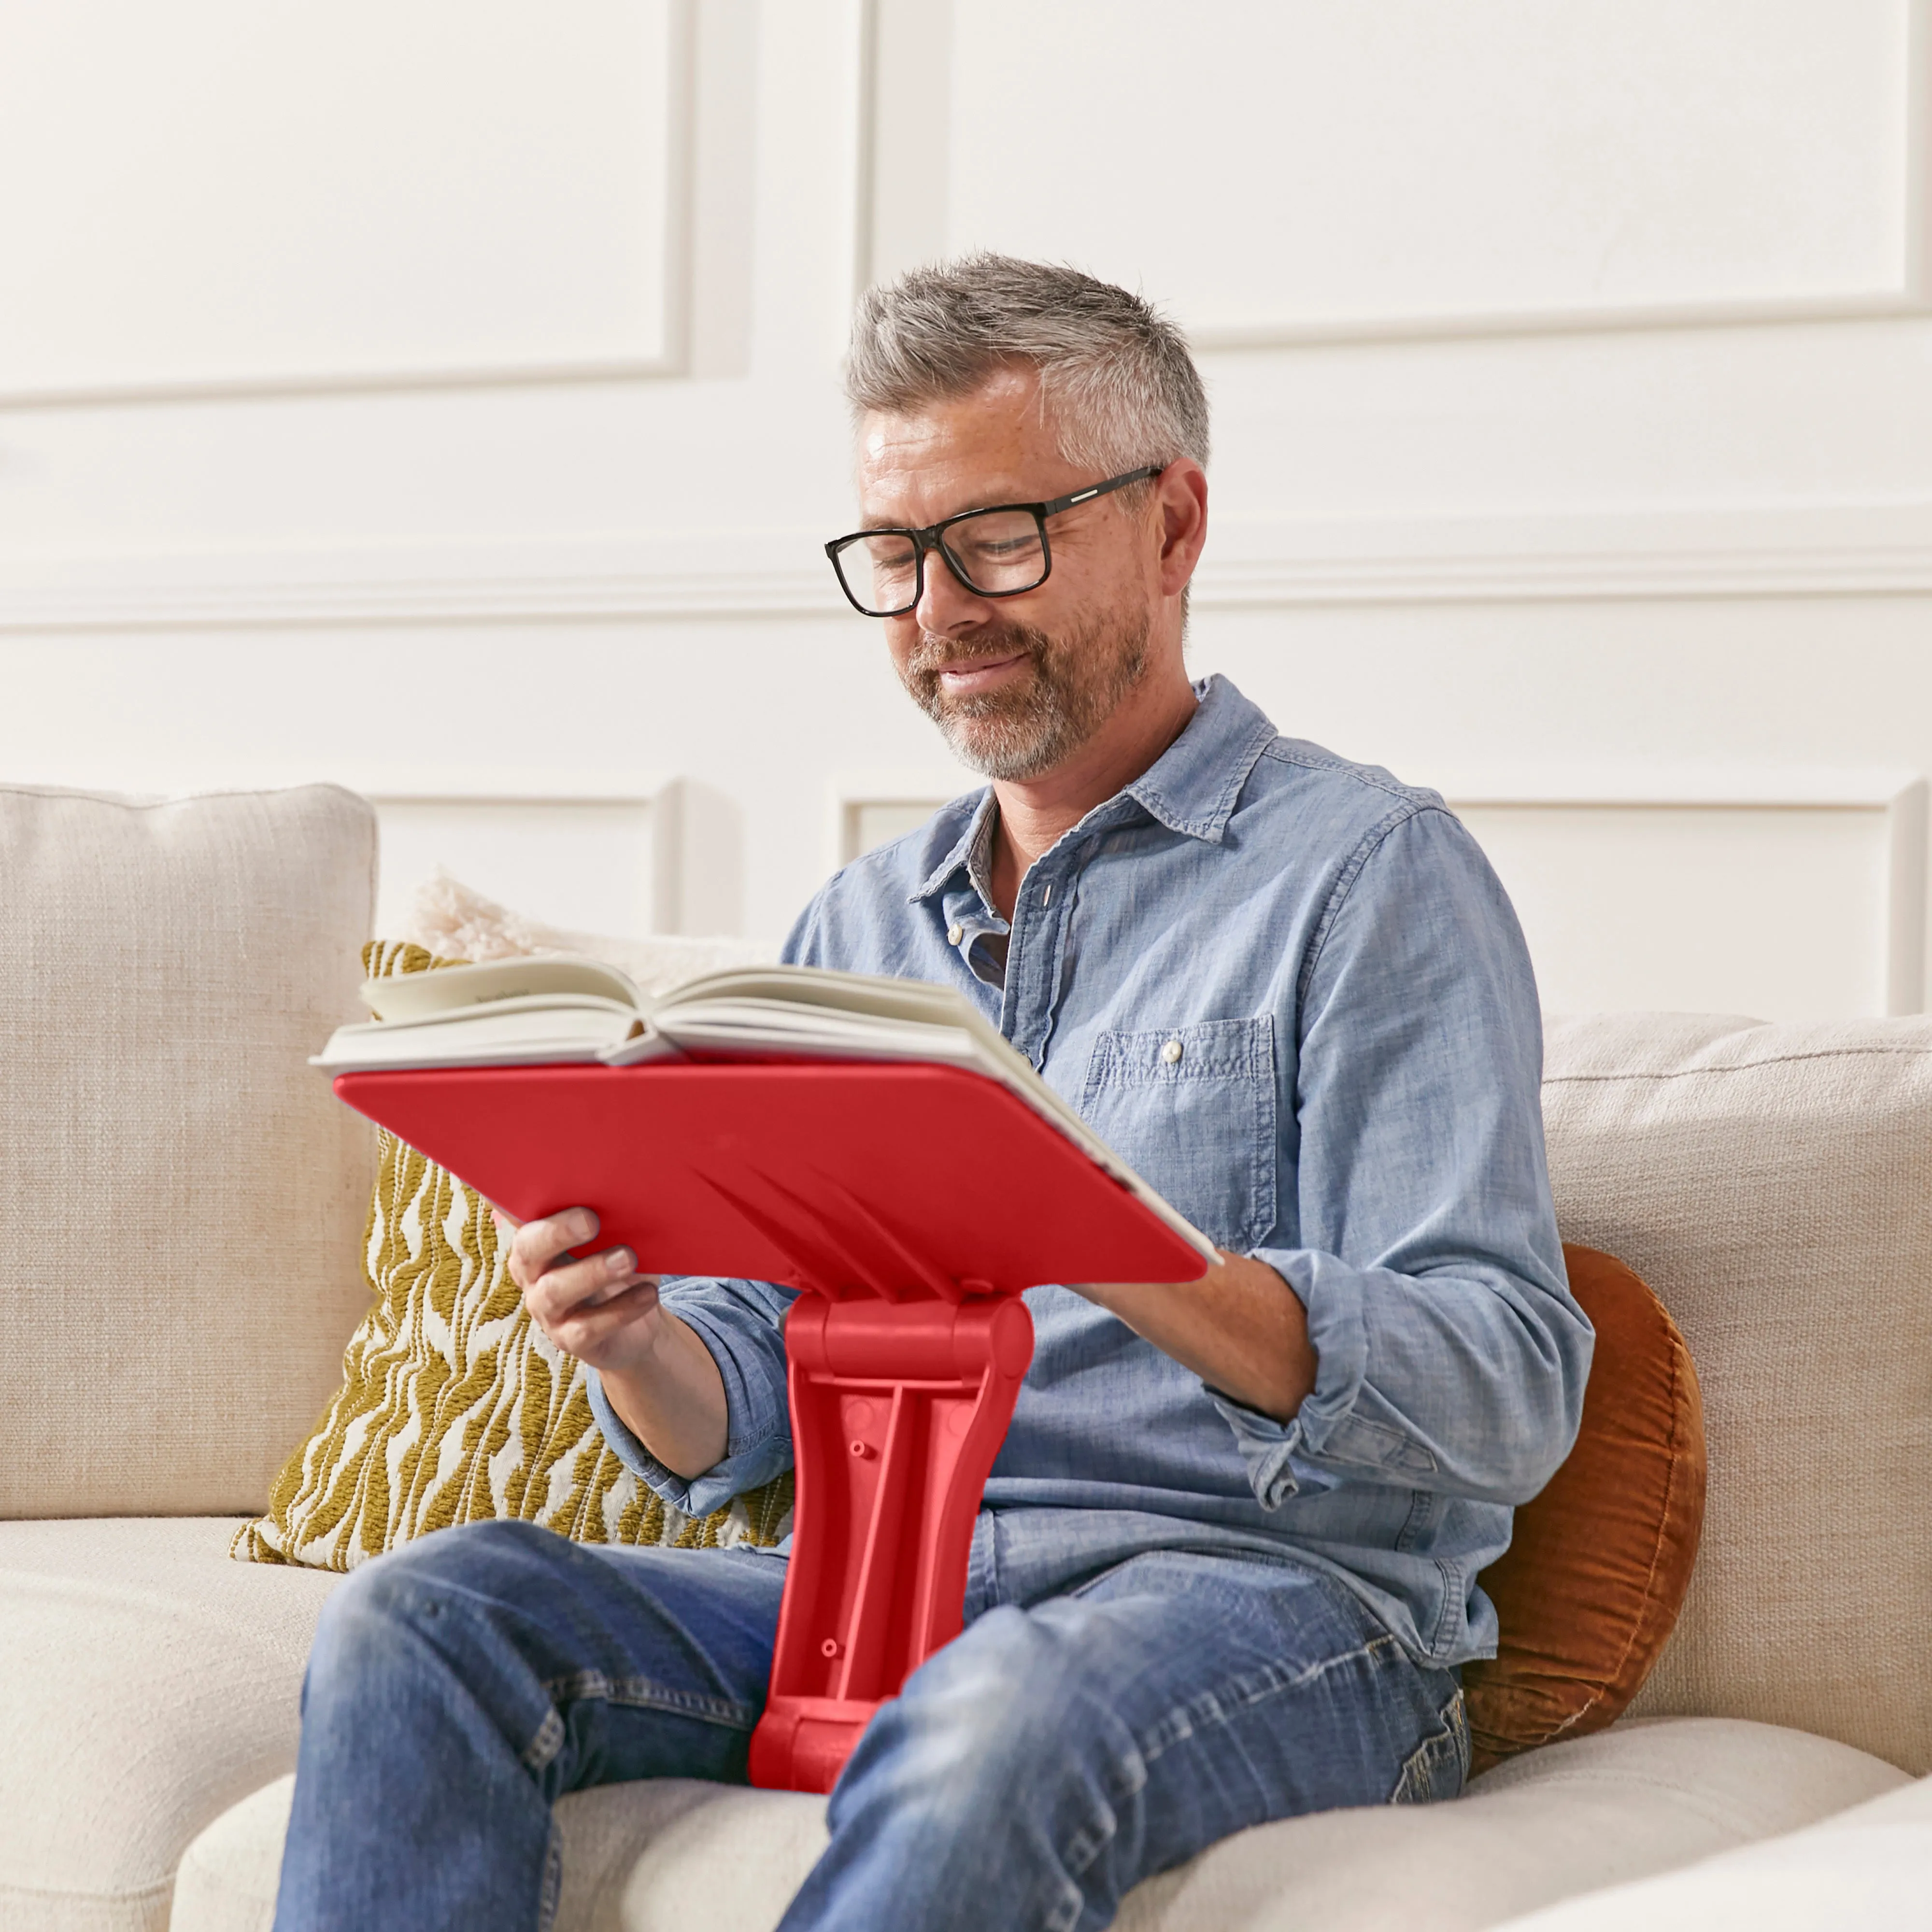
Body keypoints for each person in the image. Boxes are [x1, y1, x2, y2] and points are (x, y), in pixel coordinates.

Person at [273, 254, 1592, 1932]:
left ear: (1174, 528)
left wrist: (1102, 1236)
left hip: (1270, 1608)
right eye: (894, 555)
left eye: (995, 540)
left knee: (992, 1721)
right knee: (423, 1614)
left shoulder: (1369, 878)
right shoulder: (862, 927)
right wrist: (632, 1341)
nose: (934, 612)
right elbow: (738, 1407)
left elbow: (1511, 1382)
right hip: (877, 1580)